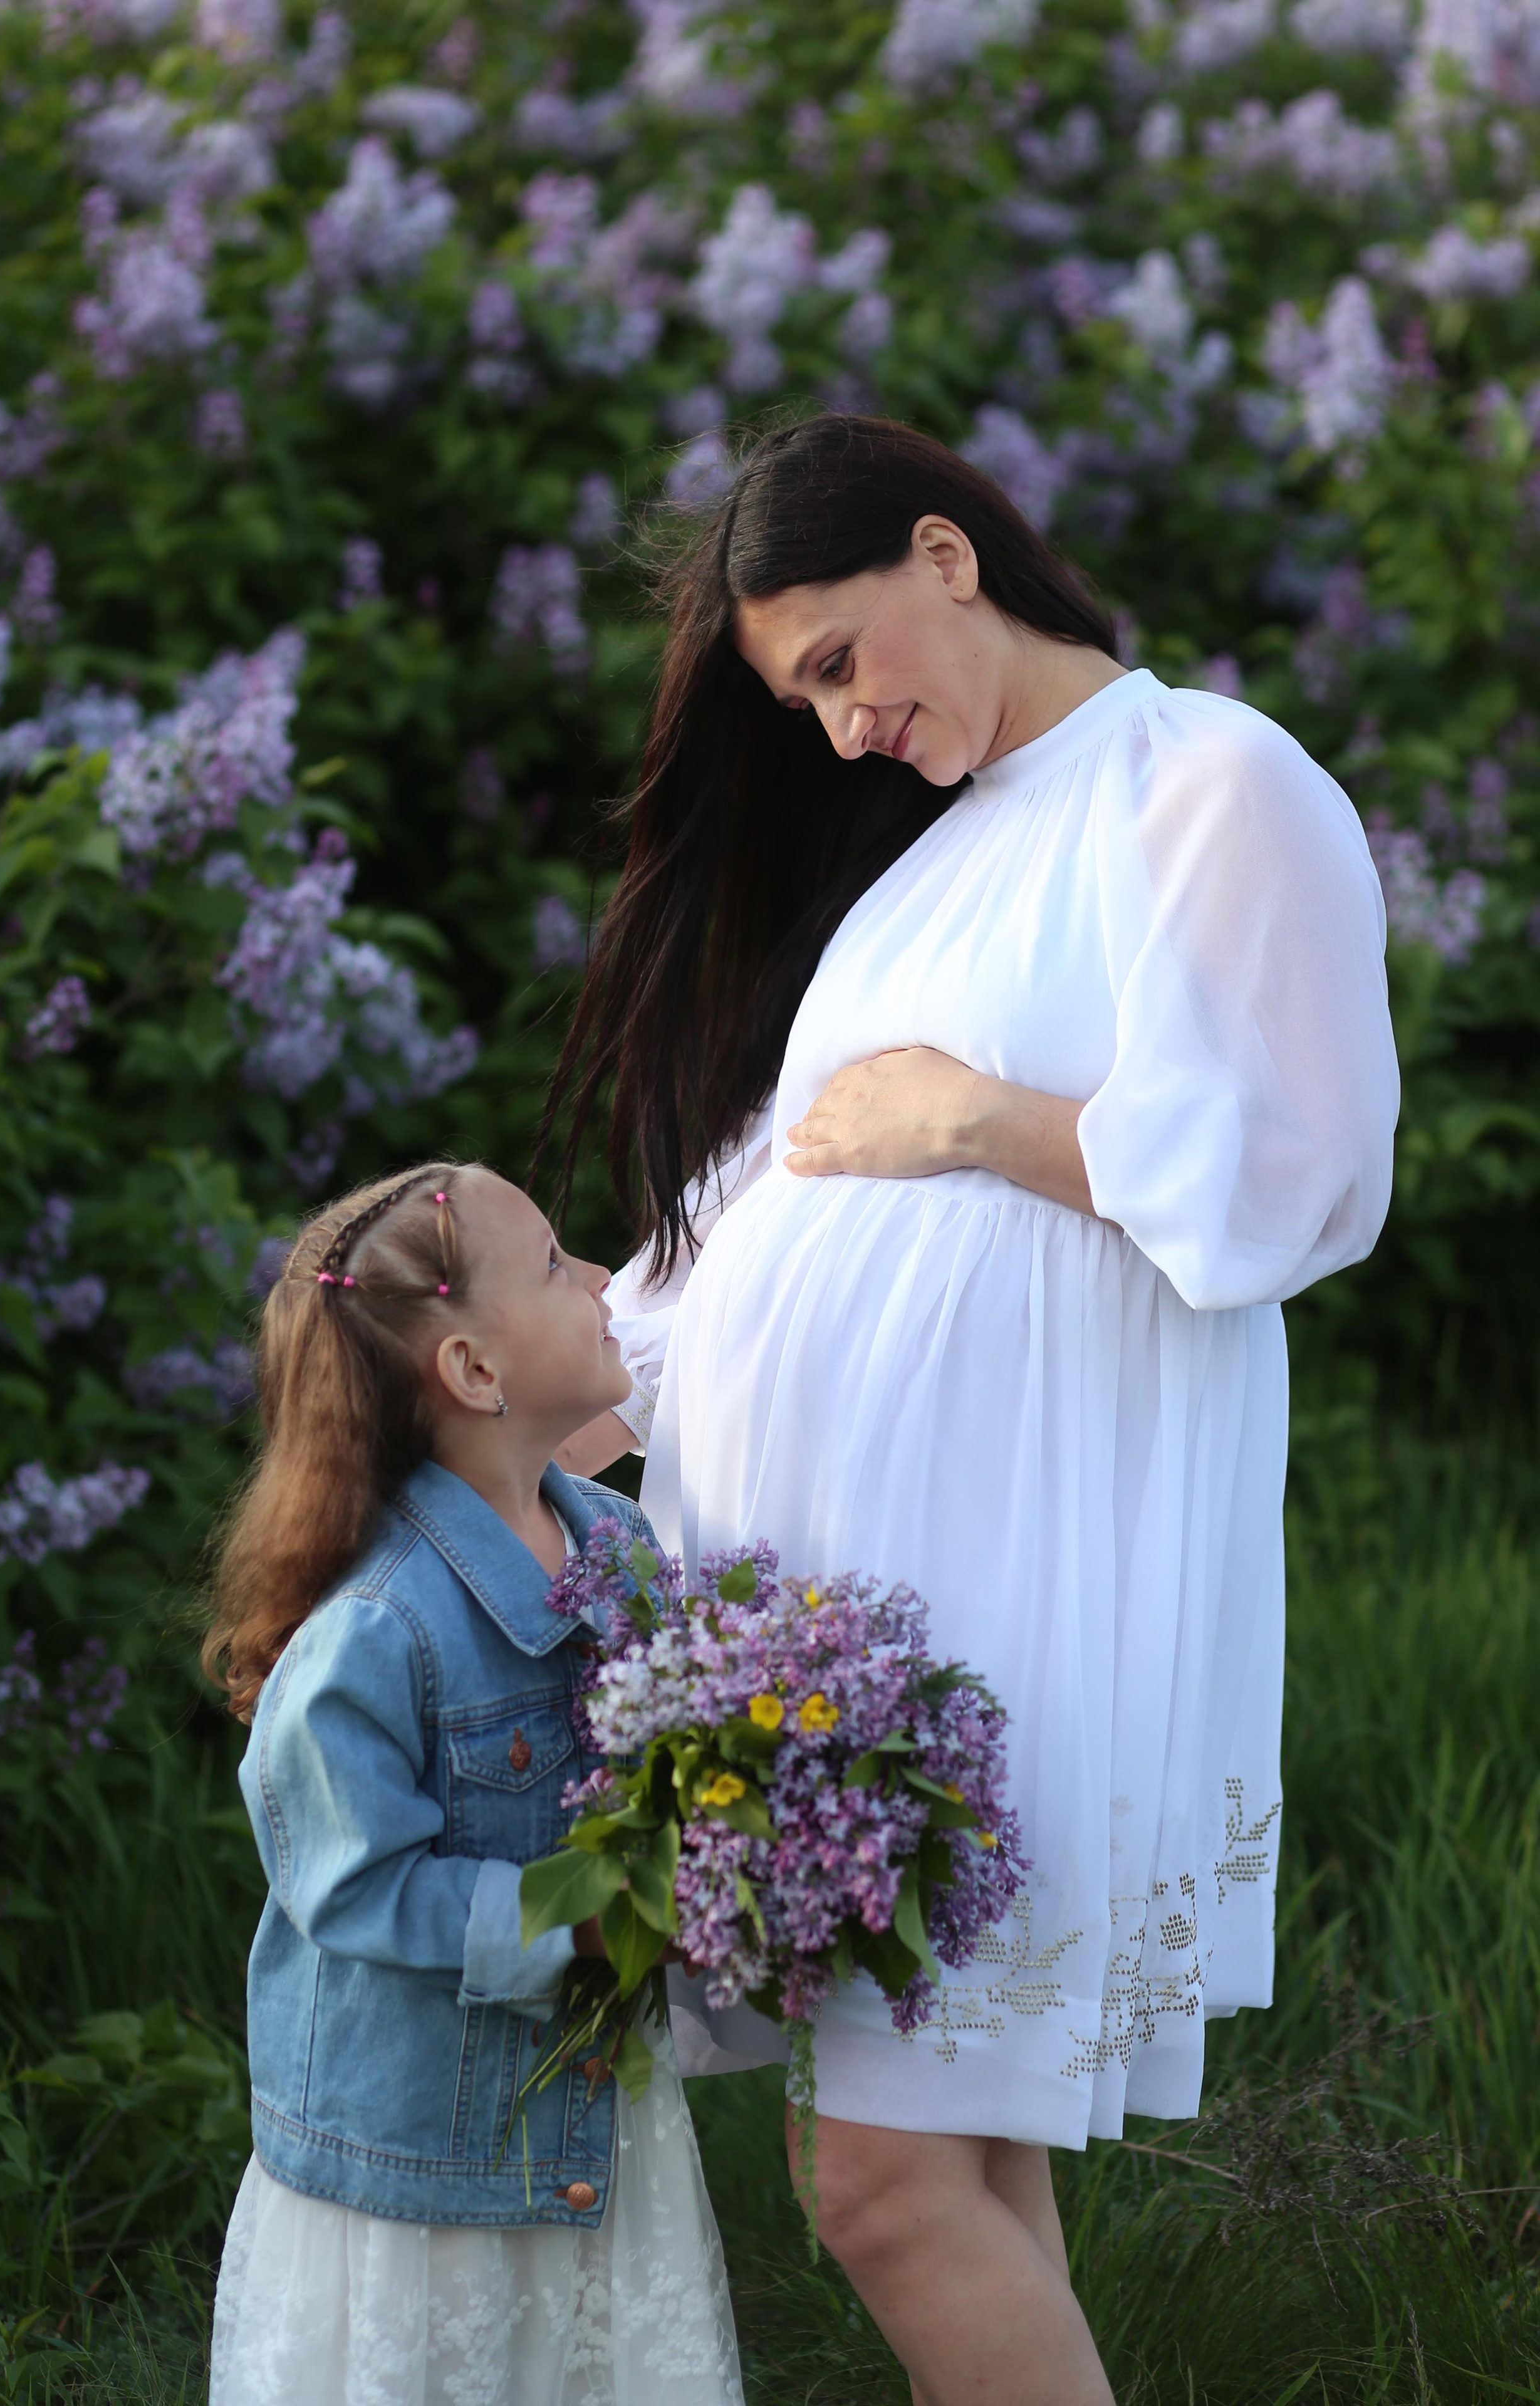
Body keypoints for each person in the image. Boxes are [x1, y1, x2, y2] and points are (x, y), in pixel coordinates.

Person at [545, 414, 1399, 2406]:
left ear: (948, 552)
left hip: (1015, 1610)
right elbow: (761, 1222)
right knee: (951, 2175)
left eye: (841, 661)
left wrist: (977, 1122)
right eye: (800, 701)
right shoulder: (935, 866)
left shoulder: (1204, 781)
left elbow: (1304, 1172)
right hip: (865, 1631)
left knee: (886, 2190)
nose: (839, 726)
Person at [202, 1162, 744, 2406]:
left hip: (584, 2119)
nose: (606, 1282)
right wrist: (593, 1914)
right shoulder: (377, 1627)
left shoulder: (614, 1546)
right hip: (418, 2165)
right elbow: (356, 1887)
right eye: (558, 1265)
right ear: (474, 1374)